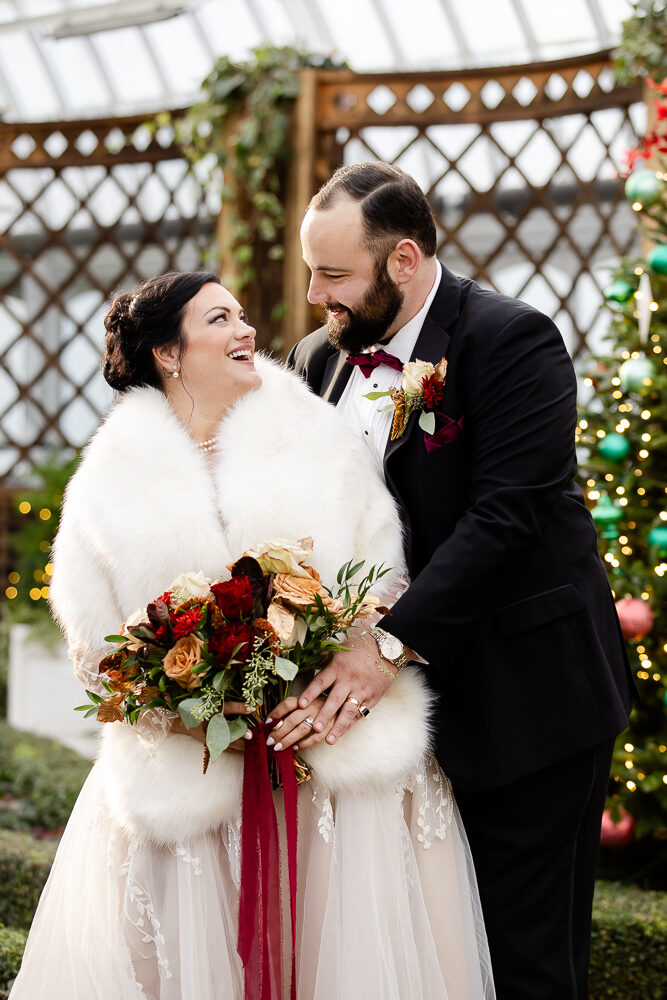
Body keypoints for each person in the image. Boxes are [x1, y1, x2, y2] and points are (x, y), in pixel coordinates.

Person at [9, 271, 495, 1000]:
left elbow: (384, 582)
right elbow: (95, 653)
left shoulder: (320, 438)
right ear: (169, 354)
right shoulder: (105, 484)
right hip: (195, 786)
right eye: (220, 320)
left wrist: (328, 669)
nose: (247, 332)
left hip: (334, 771)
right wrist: (190, 706)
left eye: (242, 315)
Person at [277, 161, 635, 1000]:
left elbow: (506, 517)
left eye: (334, 275)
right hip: (393, 738)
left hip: (526, 706)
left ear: (402, 261)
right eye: (310, 272)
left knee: (525, 967)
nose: (314, 296)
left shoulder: (510, 340)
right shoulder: (313, 360)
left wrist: (386, 646)